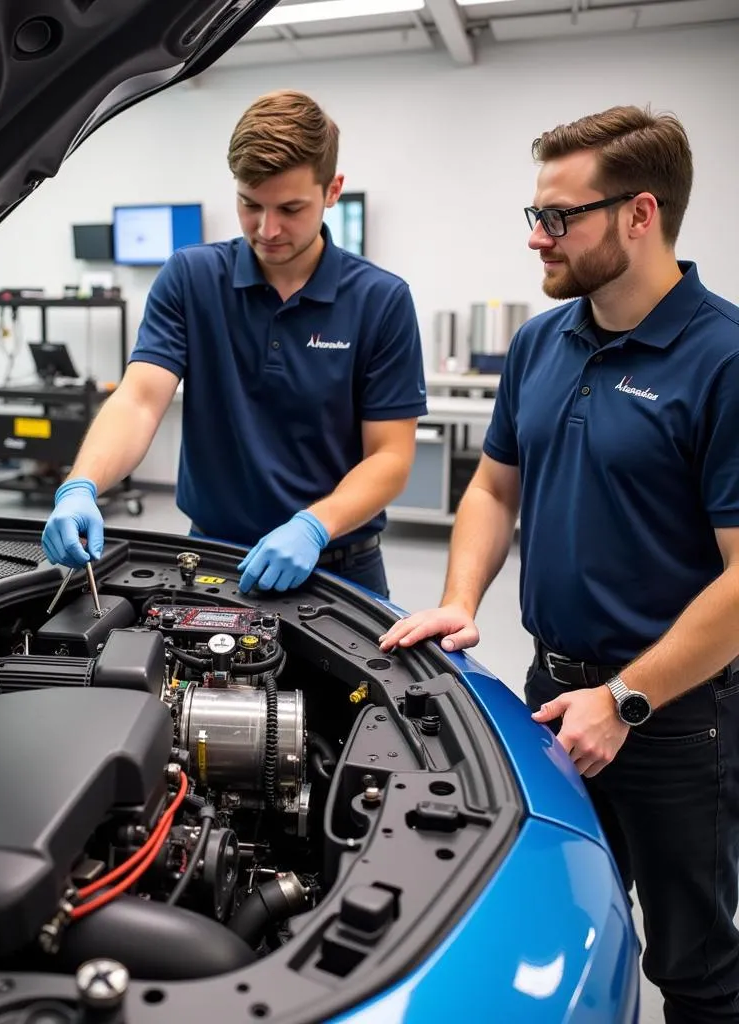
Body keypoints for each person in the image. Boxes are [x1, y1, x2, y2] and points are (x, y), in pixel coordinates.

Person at [379, 104, 739, 1023]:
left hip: (673, 720)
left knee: (694, 965)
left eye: (559, 217)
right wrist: (462, 600)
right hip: (549, 694)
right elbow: (495, 490)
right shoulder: (542, 343)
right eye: (534, 215)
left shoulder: (723, 359)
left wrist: (625, 701)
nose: (538, 238)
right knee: (575, 921)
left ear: (639, 215)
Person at [41, 90, 426, 597]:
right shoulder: (191, 277)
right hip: (213, 557)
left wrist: (315, 525)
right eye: (250, 204)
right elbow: (138, 400)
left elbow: (390, 458)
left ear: (333, 190)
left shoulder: (381, 299)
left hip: (339, 566)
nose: (267, 229)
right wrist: (81, 484)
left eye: (290, 208)